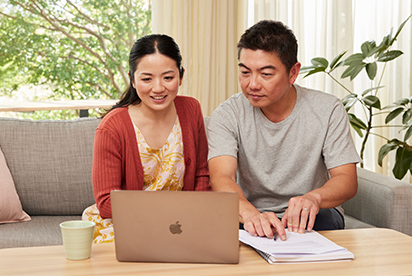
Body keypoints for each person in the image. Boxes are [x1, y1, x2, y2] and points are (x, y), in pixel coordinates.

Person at [207, 20, 361, 242]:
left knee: (318, 226)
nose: (252, 84)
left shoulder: (328, 109)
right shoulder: (227, 114)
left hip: (314, 214)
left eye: (266, 74)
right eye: (245, 72)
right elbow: (221, 177)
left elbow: (347, 180)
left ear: (293, 73)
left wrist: (313, 198)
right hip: (251, 211)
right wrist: (250, 213)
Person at [83, 34, 211, 243]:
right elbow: (106, 202)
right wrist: (167, 213)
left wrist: (194, 217)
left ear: (181, 75)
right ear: (132, 79)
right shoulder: (112, 127)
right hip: (125, 221)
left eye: (168, 78)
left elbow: (201, 175)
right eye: (147, 79)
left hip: (180, 219)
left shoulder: (191, 109)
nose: (158, 88)